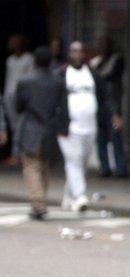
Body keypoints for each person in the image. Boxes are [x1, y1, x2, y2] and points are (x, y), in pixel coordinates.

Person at [57, 41, 113, 212]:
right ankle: (80, 196)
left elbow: (104, 97)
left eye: (80, 51)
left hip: (89, 126)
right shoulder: (61, 74)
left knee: (81, 163)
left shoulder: (92, 75)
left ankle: (68, 196)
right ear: (69, 53)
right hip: (69, 127)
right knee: (73, 161)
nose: (77, 54)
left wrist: (112, 116)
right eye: (74, 51)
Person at [14, 46, 67, 219]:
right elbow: (64, 108)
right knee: (43, 167)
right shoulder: (58, 82)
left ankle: (38, 203)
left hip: (31, 128)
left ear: (35, 61)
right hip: (50, 129)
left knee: (31, 166)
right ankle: (40, 201)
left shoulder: (25, 81)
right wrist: (63, 129)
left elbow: (18, 106)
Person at [90, 36, 127, 177]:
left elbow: (106, 75)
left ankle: (121, 169)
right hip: (99, 104)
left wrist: (95, 69)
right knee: (101, 138)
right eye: (101, 45)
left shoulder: (116, 59)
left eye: (105, 45)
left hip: (113, 103)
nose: (103, 48)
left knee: (115, 136)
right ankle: (104, 168)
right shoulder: (97, 61)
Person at [3, 34, 34, 162]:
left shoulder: (28, 59)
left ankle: (21, 154)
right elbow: (8, 78)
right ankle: (16, 153)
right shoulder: (10, 60)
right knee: (13, 126)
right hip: (9, 94)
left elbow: (30, 78)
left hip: (21, 96)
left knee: (22, 125)